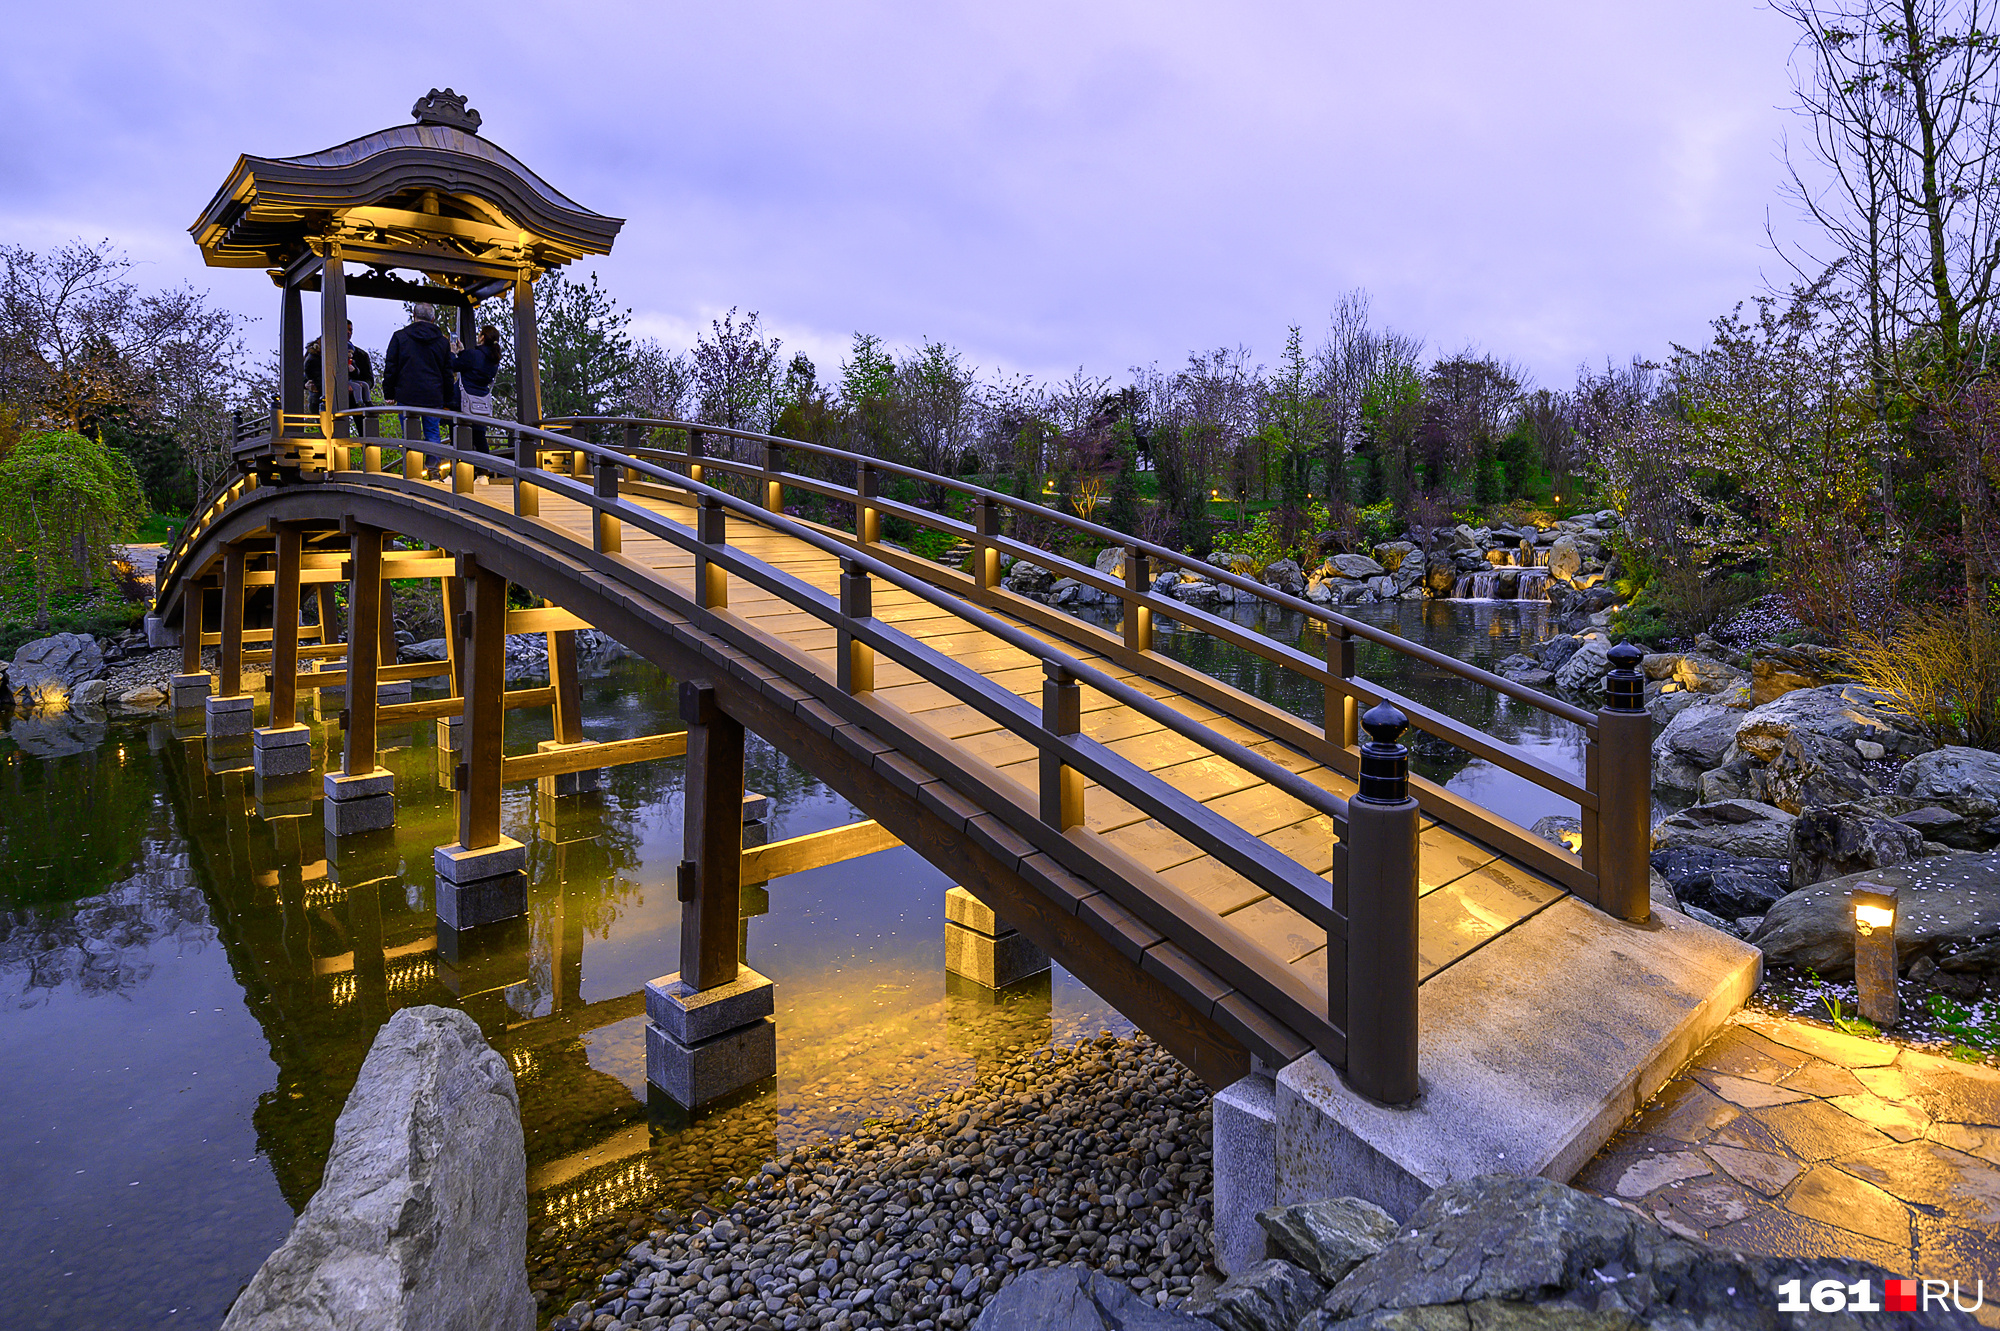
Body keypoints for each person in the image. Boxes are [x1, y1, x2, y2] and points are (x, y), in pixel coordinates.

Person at [382, 303, 459, 443]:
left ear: (414, 315)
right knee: (433, 434)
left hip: (406, 395)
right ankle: (433, 464)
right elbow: (447, 373)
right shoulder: (442, 342)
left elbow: (391, 367)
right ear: (433, 319)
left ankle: (412, 464)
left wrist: (389, 393)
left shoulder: (400, 337)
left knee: (409, 437)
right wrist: (448, 399)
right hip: (433, 396)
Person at [453, 324, 503, 451]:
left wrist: (453, 353)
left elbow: (454, 365)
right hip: (481, 403)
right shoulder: (494, 361)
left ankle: (462, 467)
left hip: (464, 401)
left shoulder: (473, 355)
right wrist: (463, 352)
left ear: (482, 338)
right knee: (480, 437)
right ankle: (483, 469)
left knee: (460, 436)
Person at [303, 321, 373, 412]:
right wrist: (306, 385)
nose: (348, 332)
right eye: (345, 329)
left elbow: (369, 379)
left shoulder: (360, 355)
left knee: (364, 424)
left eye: (350, 330)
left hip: (355, 401)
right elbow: (305, 376)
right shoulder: (314, 354)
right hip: (323, 401)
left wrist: (357, 385)